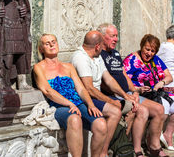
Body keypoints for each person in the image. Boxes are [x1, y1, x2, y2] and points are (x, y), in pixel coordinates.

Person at [97, 23, 166, 157]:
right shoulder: (99, 54)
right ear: (102, 37)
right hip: (114, 95)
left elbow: (124, 75)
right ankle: (134, 149)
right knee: (142, 110)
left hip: (127, 93)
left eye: (116, 36)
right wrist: (125, 96)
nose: (116, 39)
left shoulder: (116, 53)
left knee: (159, 109)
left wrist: (135, 91)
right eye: (112, 36)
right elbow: (104, 83)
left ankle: (154, 146)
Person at [33, 34, 106, 157]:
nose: (52, 45)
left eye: (53, 41)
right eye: (47, 43)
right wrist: (69, 103)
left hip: (78, 103)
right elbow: (48, 91)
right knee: (75, 119)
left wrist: (91, 104)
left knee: (101, 124)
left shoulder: (68, 67)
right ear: (41, 49)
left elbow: (81, 89)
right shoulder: (38, 68)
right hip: (58, 106)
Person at [71, 31, 135, 157]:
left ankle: (121, 147)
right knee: (115, 111)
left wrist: (126, 96)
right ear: (97, 46)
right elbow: (89, 89)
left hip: (97, 95)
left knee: (132, 107)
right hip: (85, 98)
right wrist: (112, 102)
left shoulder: (96, 56)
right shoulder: (81, 58)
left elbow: (109, 79)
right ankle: (102, 153)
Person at [124, 34, 174, 153]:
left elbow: (169, 77)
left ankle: (155, 143)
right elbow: (123, 82)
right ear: (141, 47)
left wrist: (161, 83)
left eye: (153, 51)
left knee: (167, 105)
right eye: (147, 49)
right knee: (160, 108)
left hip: (154, 93)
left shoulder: (155, 60)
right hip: (135, 93)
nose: (149, 53)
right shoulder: (131, 60)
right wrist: (137, 88)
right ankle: (151, 145)